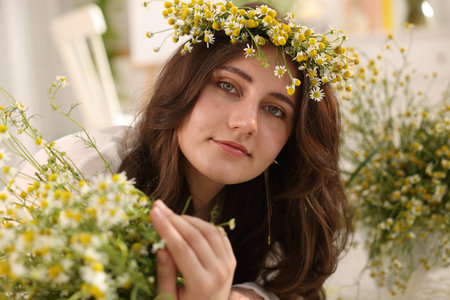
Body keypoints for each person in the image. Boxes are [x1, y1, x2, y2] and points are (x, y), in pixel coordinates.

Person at [24, 1, 352, 299]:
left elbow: (289, 289)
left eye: (275, 110)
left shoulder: (275, 205)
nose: (246, 123)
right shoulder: (83, 173)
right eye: (228, 86)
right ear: (185, 86)